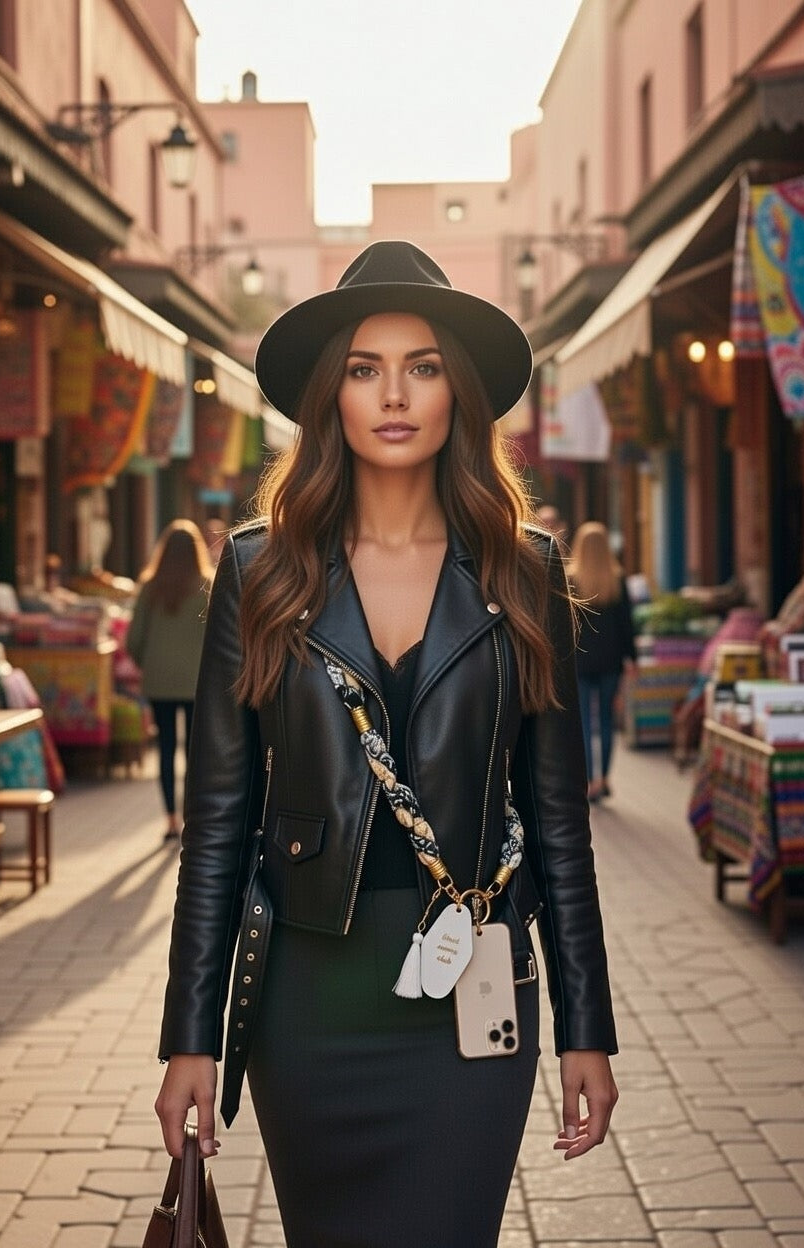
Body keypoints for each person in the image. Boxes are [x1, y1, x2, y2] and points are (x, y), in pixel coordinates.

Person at [154, 242, 618, 1248]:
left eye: (423, 366)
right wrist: (190, 1038)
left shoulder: (522, 569)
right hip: (306, 999)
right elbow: (218, 829)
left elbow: (559, 829)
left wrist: (590, 1026)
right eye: (364, 368)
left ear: (459, 392)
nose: (393, 394)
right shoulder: (257, 572)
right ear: (332, 397)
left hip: (475, 999)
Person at [126, 520, 213, 840]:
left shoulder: (151, 586)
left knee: (164, 749)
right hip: (197, 682)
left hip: (159, 680)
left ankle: (170, 820)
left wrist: (146, 663)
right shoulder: (208, 585)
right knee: (194, 751)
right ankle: (192, 819)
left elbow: (134, 638)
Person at [567, 521, 637, 801]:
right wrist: (631, 657)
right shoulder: (617, 579)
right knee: (607, 721)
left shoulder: (571, 579)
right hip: (611, 661)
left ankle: (588, 783)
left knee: (583, 722)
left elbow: (564, 625)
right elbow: (626, 624)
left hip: (580, 661)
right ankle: (604, 779)